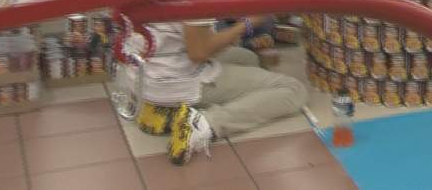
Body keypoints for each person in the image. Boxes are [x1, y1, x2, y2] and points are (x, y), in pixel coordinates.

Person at [125, 17, 308, 165]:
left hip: (144, 74)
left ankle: (163, 110)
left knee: (247, 58)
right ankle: (203, 124)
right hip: (177, 80)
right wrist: (245, 25)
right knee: (293, 89)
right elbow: (199, 52)